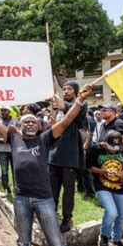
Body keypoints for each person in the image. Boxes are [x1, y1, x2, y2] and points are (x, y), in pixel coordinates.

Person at [0, 84, 92, 246]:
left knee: (56, 243)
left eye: (33, 122)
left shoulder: (45, 139)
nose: (29, 123)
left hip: (44, 199)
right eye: (25, 122)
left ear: (38, 126)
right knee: (23, 242)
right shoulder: (14, 138)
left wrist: (80, 100)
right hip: (21, 199)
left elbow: (66, 122)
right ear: (20, 126)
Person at [49, 81, 88, 232]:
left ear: (76, 92)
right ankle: (51, 214)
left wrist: (53, 92)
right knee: (52, 189)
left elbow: (62, 107)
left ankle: (67, 218)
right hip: (54, 155)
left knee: (68, 190)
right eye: (64, 89)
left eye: (69, 89)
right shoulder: (57, 109)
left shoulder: (81, 105)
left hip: (70, 156)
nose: (66, 91)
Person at [87, 130, 123, 246]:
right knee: (112, 212)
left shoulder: (122, 149)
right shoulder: (95, 149)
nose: (114, 150)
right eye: (111, 147)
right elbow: (89, 167)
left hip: (119, 186)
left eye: (117, 148)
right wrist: (104, 171)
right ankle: (104, 236)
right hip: (102, 185)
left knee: (121, 216)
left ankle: (117, 240)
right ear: (104, 142)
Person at [0, 107, 17, 197]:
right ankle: (6, 190)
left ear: (9, 112)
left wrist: (10, 140)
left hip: (14, 150)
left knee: (15, 171)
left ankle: (17, 190)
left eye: (4, 111)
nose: (2, 112)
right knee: (4, 171)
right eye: (1, 111)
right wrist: (2, 140)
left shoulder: (15, 122)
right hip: (2, 150)